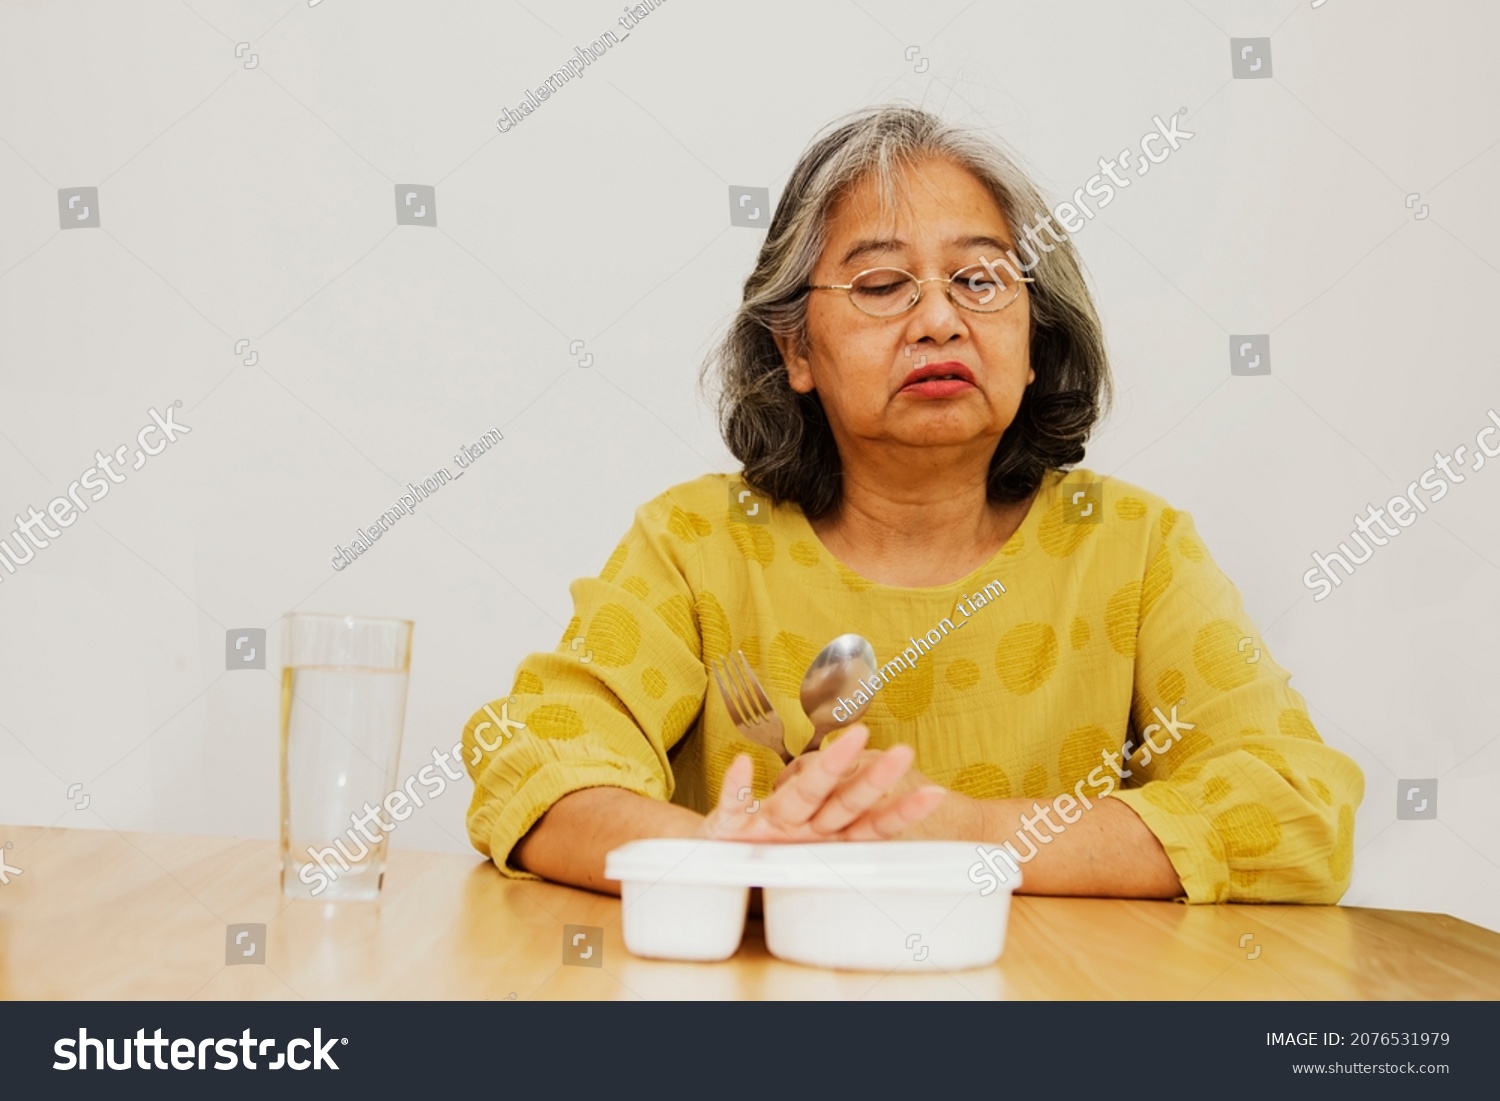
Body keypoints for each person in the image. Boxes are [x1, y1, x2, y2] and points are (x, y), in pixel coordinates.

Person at [461, 104, 1363, 904]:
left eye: (981, 280)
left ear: (1037, 338)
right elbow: (536, 764)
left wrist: (968, 836)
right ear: (796, 351)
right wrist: (727, 853)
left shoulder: (1133, 546)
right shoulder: (697, 542)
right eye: (883, 285)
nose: (939, 320)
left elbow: (1294, 805)